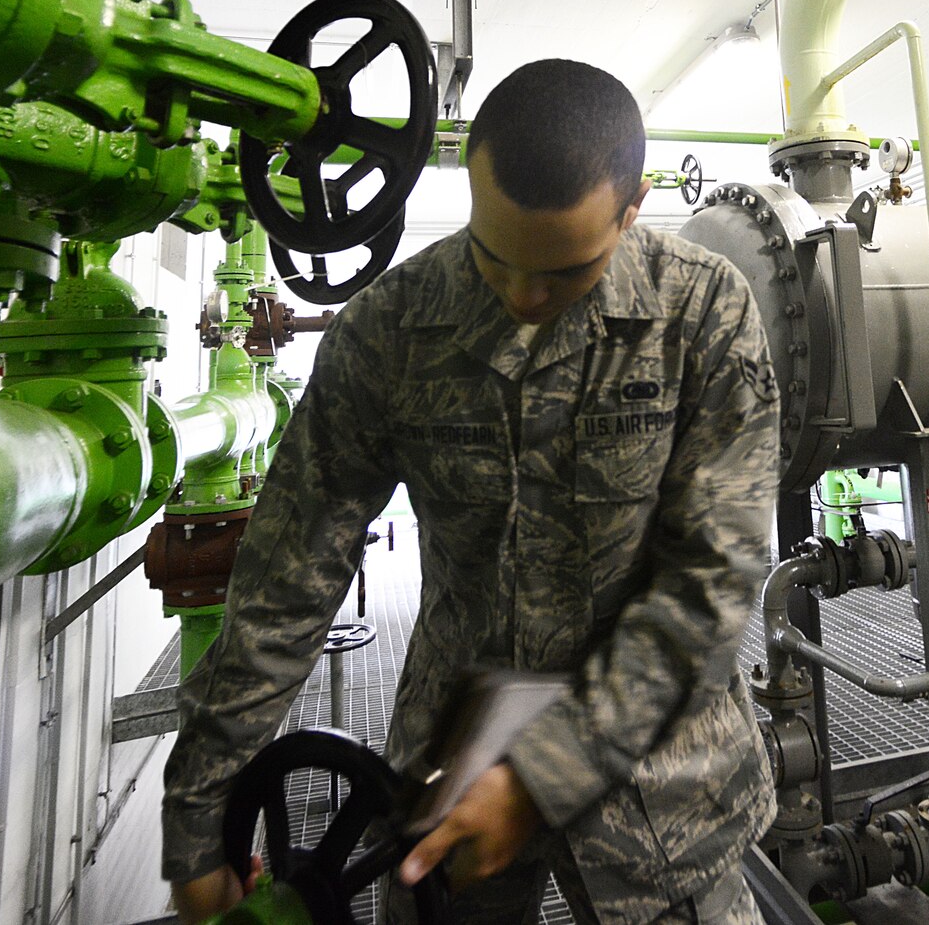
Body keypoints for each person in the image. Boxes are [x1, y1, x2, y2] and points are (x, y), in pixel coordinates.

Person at [163, 58, 779, 925]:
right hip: (447, 774)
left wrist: (543, 773)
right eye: (496, 259)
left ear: (632, 208)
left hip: (665, 784)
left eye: (565, 272)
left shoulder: (703, 311)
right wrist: (199, 812)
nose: (525, 297)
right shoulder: (391, 330)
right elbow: (288, 571)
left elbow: (712, 578)